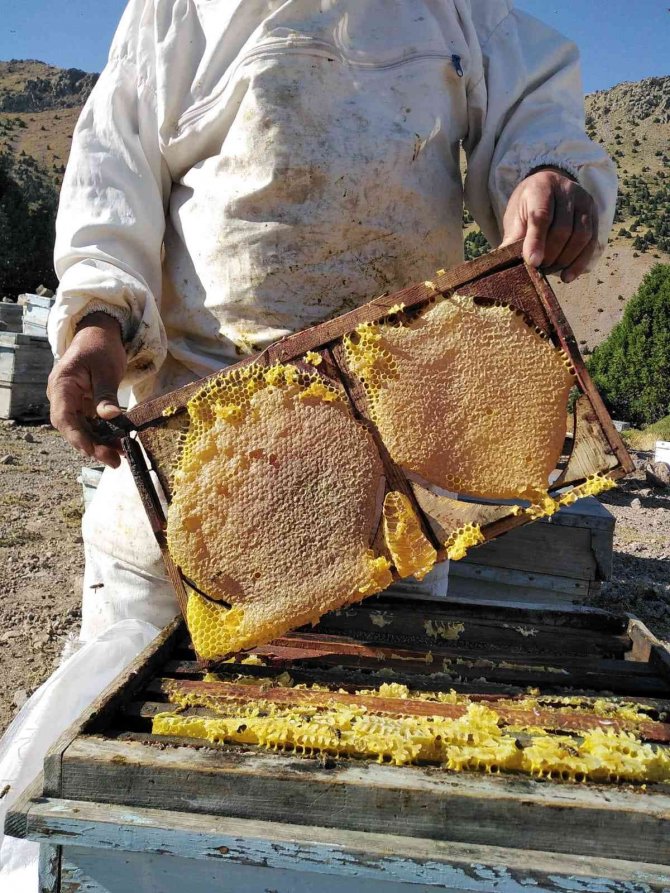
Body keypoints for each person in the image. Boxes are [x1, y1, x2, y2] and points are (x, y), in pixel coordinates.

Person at [1, 2, 616, 885]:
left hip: (385, 496)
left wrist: (549, 181)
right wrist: (97, 322)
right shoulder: (177, 11)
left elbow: (535, 119)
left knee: (346, 815)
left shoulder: (461, 13)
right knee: (108, 812)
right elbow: (112, 176)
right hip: (190, 466)